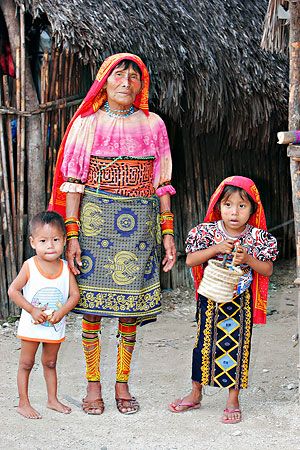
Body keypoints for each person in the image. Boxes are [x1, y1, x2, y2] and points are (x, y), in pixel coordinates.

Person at [49, 53, 176, 415]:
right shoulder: (86, 124)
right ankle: (93, 384)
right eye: (119, 75)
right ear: (104, 81)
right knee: (91, 308)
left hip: (140, 223)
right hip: (94, 224)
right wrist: (71, 236)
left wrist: (167, 233)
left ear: (142, 85)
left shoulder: (154, 125)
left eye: (134, 77)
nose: (126, 82)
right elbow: (73, 183)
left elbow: (162, 183)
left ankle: (121, 383)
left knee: (129, 311)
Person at [169, 176, 278, 423]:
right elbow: (190, 261)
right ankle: (196, 393)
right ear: (218, 206)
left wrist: (248, 259)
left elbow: (267, 270)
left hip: (241, 301)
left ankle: (232, 398)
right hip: (210, 298)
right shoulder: (206, 232)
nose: (234, 212)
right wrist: (216, 249)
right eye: (228, 205)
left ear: (253, 209)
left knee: (237, 347)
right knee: (202, 345)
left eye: (242, 206)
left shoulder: (258, 238)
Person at [8, 211, 80, 419]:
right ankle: (23, 403)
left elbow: (74, 295)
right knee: (26, 363)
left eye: (56, 240)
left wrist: (62, 312)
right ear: (33, 242)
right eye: (43, 240)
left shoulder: (65, 268)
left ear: (64, 241)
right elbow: (13, 290)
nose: (50, 245)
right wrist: (31, 309)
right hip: (32, 326)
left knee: (50, 363)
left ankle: (52, 399)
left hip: (55, 326)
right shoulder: (30, 266)